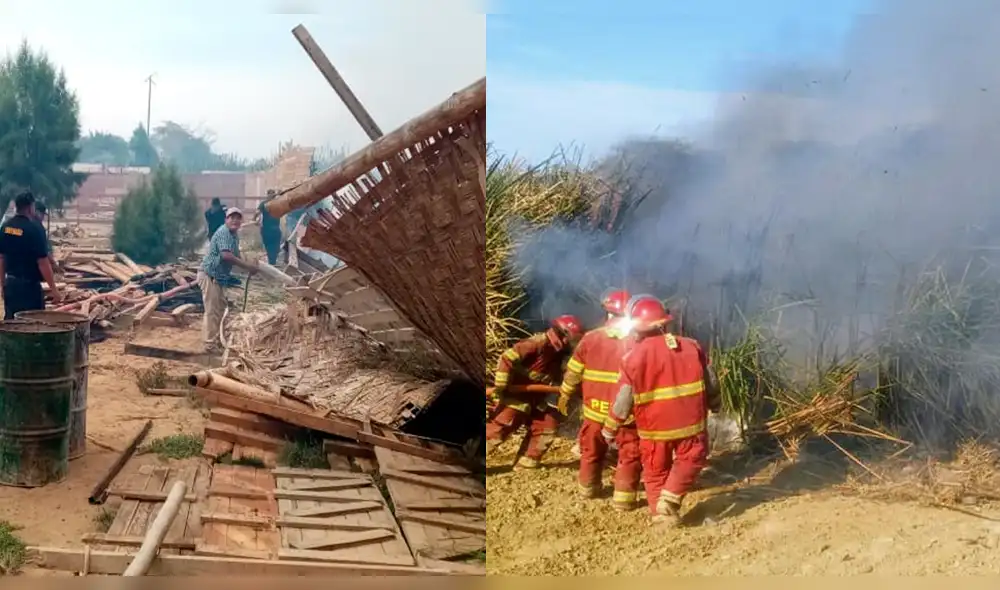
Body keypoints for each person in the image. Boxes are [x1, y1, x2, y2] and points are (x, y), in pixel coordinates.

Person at [602, 295, 721, 527]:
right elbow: (712, 381)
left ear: (636, 328)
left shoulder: (631, 358)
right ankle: (671, 497)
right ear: (665, 323)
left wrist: (610, 428)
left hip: (654, 431)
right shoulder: (692, 346)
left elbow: (623, 400)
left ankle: (661, 518)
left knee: (655, 472)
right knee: (691, 459)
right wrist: (715, 404)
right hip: (691, 426)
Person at [557, 289, 642, 510]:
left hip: (594, 411)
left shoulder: (590, 338)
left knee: (591, 450)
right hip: (626, 414)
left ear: (607, 312)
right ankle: (624, 500)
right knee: (629, 453)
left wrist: (565, 393)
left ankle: (588, 488)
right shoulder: (638, 341)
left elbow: (573, 372)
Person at [486, 315, 584, 469]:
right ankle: (471, 459)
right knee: (500, 428)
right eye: (569, 339)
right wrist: (502, 386)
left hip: (541, 398)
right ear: (561, 335)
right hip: (517, 396)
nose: (569, 343)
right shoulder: (536, 343)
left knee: (546, 427)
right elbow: (507, 358)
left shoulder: (560, 354)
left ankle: (526, 463)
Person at [197, 208, 258, 353]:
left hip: (220, 277)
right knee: (212, 311)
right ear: (226, 219)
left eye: (238, 218)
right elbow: (227, 256)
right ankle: (209, 345)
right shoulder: (224, 233)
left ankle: (215, 340)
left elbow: (236, 255)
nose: (235, 220)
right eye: (232, 217)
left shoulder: (234, 235)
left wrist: (251, 265)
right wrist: (248, 266)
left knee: (221, 308)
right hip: (209, 275)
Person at [0, 192, 62, 319]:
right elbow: (43, 262)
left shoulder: (6, 227)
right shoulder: (35, 229)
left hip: (11, 285)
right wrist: (54, 290)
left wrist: (3, 285)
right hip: (29, 288)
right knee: (34, 324)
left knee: (11, 324)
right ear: (30, 207)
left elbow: (1, 259)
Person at [254, 190, 282, 266]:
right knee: (275, 248)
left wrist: (254, 219)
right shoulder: (278, 203)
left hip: (266, 230)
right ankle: (272, 263)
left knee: (269, 247)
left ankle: (271, 263)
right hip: (274, 229)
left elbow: (257, 213)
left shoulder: (263, 204)